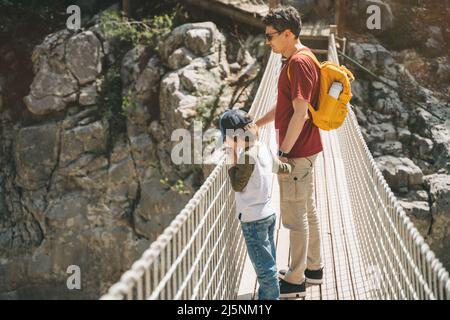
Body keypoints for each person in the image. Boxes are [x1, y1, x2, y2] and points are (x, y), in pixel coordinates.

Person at [255, 5, 324, 298]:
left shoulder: (297, 63)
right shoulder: (299, 57)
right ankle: (313, 269)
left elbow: (300, 113)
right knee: (306, 209)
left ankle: (295, 281)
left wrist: (283, 151)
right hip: (306, 149)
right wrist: (258, 122)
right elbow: (285, 106)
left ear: (287, 34)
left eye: (271, 36)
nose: (267, 41)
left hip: (296, 153)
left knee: (294, 219)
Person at [220, 109, 293, 300]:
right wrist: (291, 166)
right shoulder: (262, 147)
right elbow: (280, 167)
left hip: (254, 220)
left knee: (264, 269)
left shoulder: (246, 156)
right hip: (268, 214)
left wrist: (231, 155)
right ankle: (265, 296)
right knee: (269, 261)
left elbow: (237, 184)